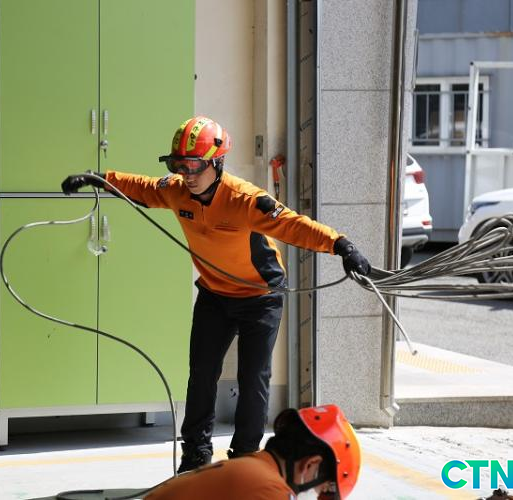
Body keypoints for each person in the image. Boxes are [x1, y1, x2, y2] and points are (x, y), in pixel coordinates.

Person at [61, 116, 371, 473]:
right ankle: (195, 452)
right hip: (214, 294)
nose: (186, 174)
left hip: (260, 296)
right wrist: (97, 178)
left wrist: (341, 245)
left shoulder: (246, 200)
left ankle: (245, 459)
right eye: (178, 165)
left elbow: (293, 225)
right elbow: (142, 187)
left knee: (253, 378)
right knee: (202, 373)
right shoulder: (177, 190)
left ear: (217, 162)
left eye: (194, 165)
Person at [143, 404, 361, 499]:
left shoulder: (252, 467)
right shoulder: (270, 491)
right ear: (311, 465)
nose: (316, 497)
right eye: (323, 491)